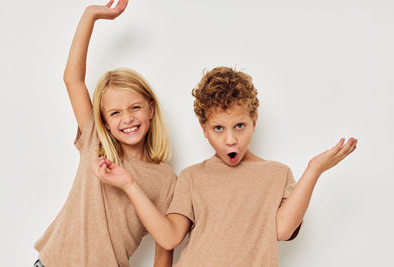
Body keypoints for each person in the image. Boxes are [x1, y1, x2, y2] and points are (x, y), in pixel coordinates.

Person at [95, 66, 358, 266]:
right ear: (204, 129)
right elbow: (169, 238)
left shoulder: (277, 174)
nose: (230, 140)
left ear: (254, 121)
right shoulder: (191, 177)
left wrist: (313, 171)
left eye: (239, 126)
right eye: (218, 128)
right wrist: (129, 184)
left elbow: (282, 229)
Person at [34, 1, 176, 266]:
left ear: (151, 110)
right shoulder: (95, 141)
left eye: (135, 107)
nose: (128, 119)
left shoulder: (165, 179)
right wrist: (91, 15)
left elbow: (164, 246)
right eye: (115, 113)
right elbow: (72, 79)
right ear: (105, 122)